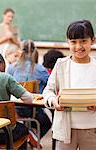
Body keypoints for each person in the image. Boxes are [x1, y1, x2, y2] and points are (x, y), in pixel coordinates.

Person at [43, 19, 96, 150]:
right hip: (65, 129)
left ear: (92, 40)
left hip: (92, 129)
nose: (78, 46)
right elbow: (48, 91)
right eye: (73, 42)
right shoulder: (61, 64)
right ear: (68, 42)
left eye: (83, 41)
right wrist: (54, 101)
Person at [7, 40, 52, 140]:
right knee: (46, 124)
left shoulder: (11, 68)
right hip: (32, 111)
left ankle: (28, 137)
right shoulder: (40, 69)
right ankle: (33, 138)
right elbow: (51, 84)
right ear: (35, 51)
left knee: (22, 124)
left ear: (20, 51)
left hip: (13, 110)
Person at [0, 51, 42, 149]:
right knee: (24, 130)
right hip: (4, 133)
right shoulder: (5, 78)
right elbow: (29, 99)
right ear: (0, 63)